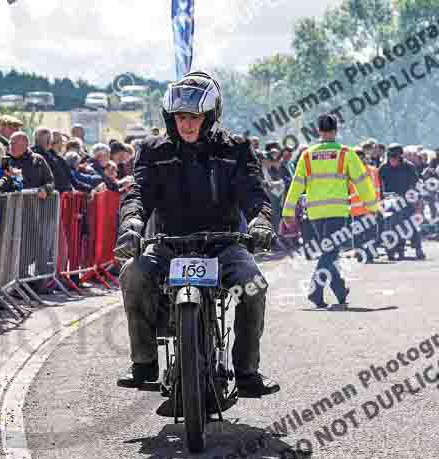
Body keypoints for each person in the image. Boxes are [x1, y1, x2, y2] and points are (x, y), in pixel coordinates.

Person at [114, 71, 279, 397]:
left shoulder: (236, 149)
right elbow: (138, 193)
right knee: (132, 274)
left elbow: (254, 194)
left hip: (224, 244)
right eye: (180, 117)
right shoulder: (153, 150)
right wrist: (132, 224)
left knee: (254, 286)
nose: (186, 124)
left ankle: (246, 371)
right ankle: (144, 364)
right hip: (167, 245)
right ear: (170, 116)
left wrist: (261, 220)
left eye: (194, 117)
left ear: (209, 117)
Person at [281, 113, 378, 308]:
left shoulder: (307, 155)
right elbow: (362, 182)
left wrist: (288, 211)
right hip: (337, 211)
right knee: (330, 252)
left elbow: (296, 185)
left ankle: (340, 291)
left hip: (315, 213)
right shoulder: (345, 153)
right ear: (335, 130)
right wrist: (372, 207)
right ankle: (315, 291)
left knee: (329, 251)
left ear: (318, 131)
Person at [379, 143, 424, 260]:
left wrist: (417, 201)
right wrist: (380, 200)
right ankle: (391, 248)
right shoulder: (383, 168)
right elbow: (379, 186)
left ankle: (418, 247)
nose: (393, 159)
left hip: (407, 198)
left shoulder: (409, 167)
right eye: (390, 156)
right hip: (389, 199)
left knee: (412, 222)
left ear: (400, 156)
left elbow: (416, 185)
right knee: (388, 222)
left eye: (395, 156)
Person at [349, 146, 382, 264]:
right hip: (358, 209)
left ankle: (369, 254)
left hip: (368, 208)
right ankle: (360, 253)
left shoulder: (373, 171)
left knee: (370, 233)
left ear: (363, 157)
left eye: (360, 157)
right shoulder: (349, 172)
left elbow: (377, 189)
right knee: (360, 233)